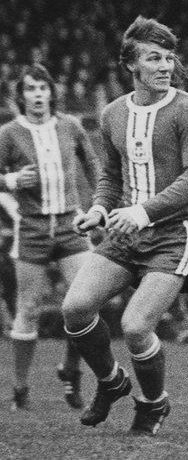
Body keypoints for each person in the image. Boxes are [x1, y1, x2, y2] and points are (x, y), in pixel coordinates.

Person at [64, 16, 188, 436]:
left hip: (176, 233)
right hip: (126, 231)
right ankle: (111, 383)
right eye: (153, 58)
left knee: (135, 325)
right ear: (131, 65)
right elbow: (111, 176)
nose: (165, 66)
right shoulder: (112, 114)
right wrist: (98, 210)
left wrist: (142, 212)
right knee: (74, 310)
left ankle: (152, 405)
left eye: (168, 57)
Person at [0, 63, 101, 411]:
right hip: (32, 227)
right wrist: (11, 181)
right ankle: (21, 389)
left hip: (72, 223)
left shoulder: (70, 126)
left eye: (43, 88)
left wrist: (99, 205)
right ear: (21, 96)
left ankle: (70, 369)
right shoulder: (9, 134)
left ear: (52, 93)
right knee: (28, 307)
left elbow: (92, 165)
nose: (38, 95)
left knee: (84, 302)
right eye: (30, 89)